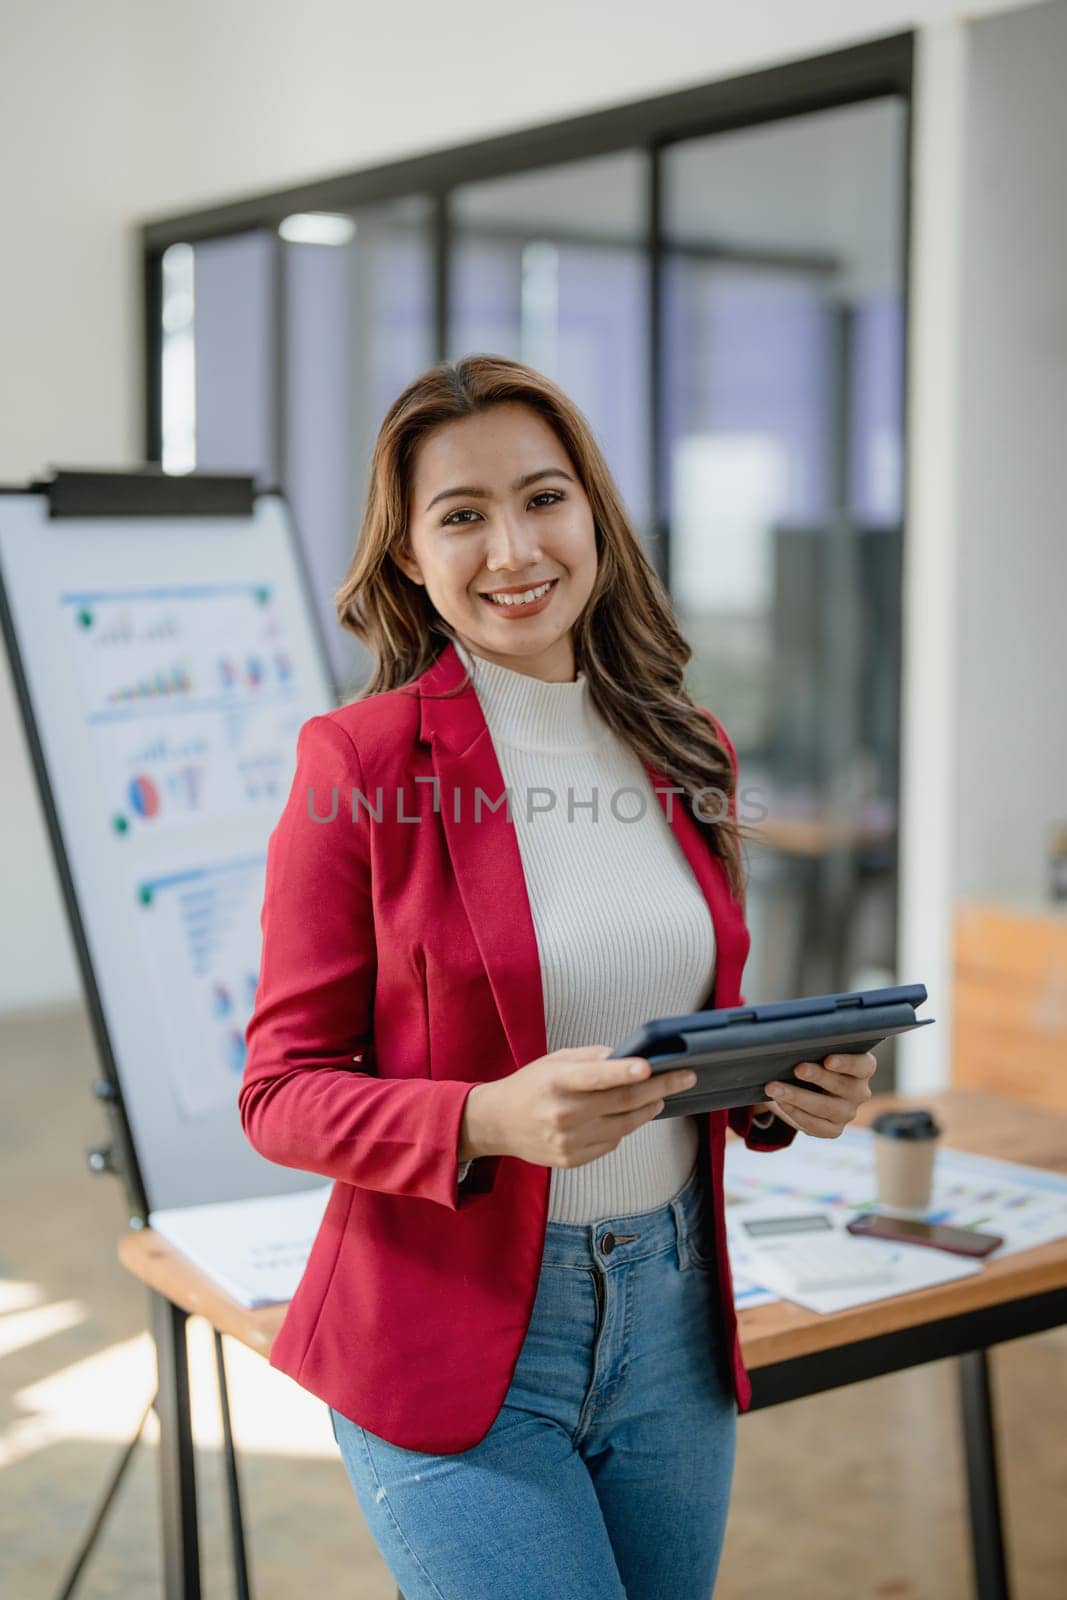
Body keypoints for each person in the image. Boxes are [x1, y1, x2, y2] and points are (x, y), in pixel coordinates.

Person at [239, 354, 876, 1600]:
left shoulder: (684, 743)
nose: (512, 547)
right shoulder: (357, 761)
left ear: (592, 514)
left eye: (542, 498)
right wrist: (485, 1115)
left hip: (673, 1323)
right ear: (410, 555)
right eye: (461, 515)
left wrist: (775, 1088)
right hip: (451, 1332)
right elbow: (279, 1091)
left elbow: (681, 1024)